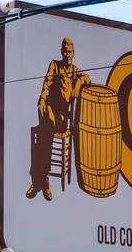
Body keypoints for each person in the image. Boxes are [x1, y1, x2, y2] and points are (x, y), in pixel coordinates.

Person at [29, 37, 90, 201]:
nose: (67, 54)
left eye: (69, 51)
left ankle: (39, 180)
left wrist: (78, 84)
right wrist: (41, 100)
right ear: (61, 52)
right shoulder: (55, 65)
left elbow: (87, 78)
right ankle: (43, 179)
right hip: (49, 111)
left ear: (73, 53)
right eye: (64, 51)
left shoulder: (76, 71)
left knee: (43, 135)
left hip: (62, 118)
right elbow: (47, 85)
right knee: (46, 127)